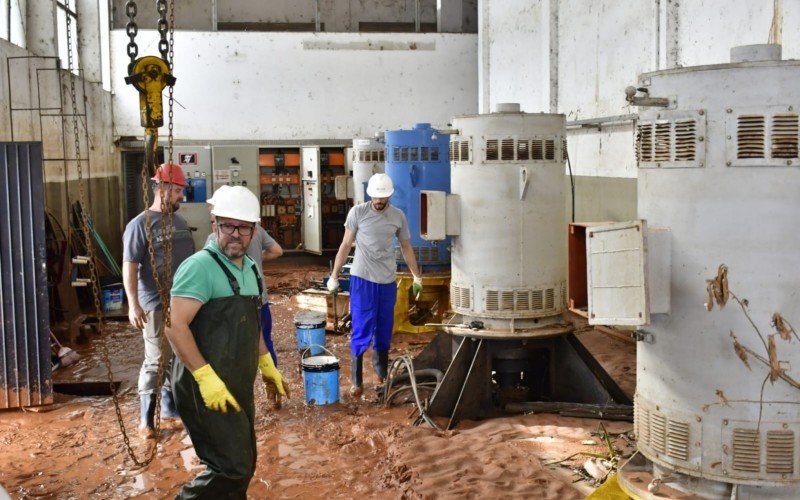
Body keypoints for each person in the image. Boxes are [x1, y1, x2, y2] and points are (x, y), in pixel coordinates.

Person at [166, 185, 289, 498]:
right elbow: (175, 326)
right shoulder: (199, 268)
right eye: (228, 226)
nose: (236, 234)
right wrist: (206, 379)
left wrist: (266, 364)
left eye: (244, 227)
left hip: (236, 381)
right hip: (202, 385)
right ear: (214, 223)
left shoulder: (250, 268)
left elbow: (253, 324)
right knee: (231, 467)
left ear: (255, 230)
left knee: (244, 462)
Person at [327, 173, 423, 398]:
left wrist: (416, 276)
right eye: (376, 198)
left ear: (389, 195)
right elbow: (345, 244)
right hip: (362, 279)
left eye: (383, 198)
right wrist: (334, 276)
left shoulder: (397, 216)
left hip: (387, 281)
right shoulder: (357, 213)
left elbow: (406, 247)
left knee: (384, 326)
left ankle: (380, 375)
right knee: (361, 327)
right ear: (370, 195)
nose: (379, 202)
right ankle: (357, 380)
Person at [122, 163, 195, 438]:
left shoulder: (179, 222)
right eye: (177, 190)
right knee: (155, 360)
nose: (181, 197)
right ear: (162, 189)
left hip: (182, 301)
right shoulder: (138, 225)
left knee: (177, 357)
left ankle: (169, 410)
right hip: (154, 302)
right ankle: (145, 420)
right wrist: (133, 304)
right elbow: (129, 265)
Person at [205, 186, 284, 408]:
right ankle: (274, 397)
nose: (236, 234)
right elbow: (278, 251)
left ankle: (239, 401)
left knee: (236, 351)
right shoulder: (257, 231)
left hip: (234, 307)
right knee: (264, 345)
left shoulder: (213, 240)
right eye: (227, 225)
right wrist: (257, 259)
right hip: (260, 302)